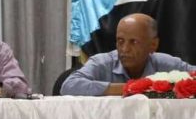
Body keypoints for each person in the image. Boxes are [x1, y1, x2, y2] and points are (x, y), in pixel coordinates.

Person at [61, 13, 196, 96]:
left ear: (153, 45)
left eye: (134, 42)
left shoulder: (166, 64)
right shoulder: (102, 63)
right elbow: (69, 86)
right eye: (120, 41)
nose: (125, 49)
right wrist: (130, 88)